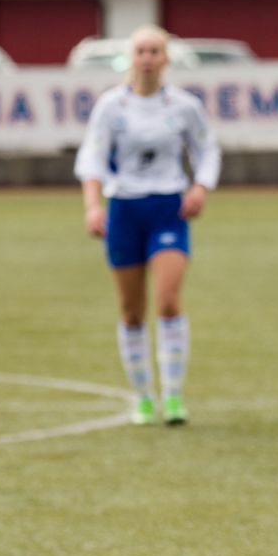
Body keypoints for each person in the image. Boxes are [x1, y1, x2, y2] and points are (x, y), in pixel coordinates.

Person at [75, 25, 220, 425]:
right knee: (132, 310)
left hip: (167, 210)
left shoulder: (183, 106)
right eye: (141, 51)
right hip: (123, 210)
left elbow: (207, 149)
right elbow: (92, 159)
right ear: (131, 58)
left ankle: (173, 396)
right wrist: (93, 206)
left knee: (168, 300)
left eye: (155, 50)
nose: (148, 58)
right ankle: (142, 397)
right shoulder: (111, 107)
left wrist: (200, 188)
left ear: (166, 58)